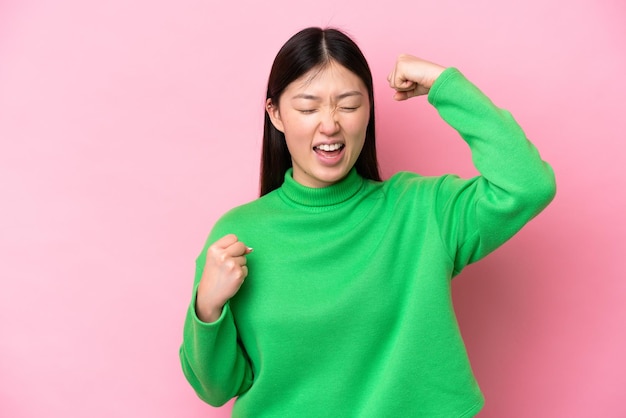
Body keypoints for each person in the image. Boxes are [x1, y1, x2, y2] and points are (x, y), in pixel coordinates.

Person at [179, 27, 556, 417]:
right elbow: (217, 389)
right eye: (308, 108)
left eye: (349, 105)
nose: (329, 125)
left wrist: (445, 85)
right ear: (275, 114)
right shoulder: (239, 235)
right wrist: (207, 307)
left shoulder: (421, 210)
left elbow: (528, 185)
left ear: (369, 110)